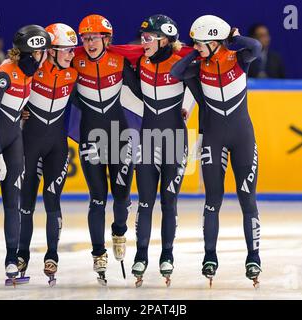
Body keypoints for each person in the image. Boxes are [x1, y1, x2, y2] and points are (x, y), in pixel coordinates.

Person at [170, 15, 262, 288]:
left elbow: (256, 48)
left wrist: (233, 40)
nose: (195, 46)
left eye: (200, 42)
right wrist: (196, 53)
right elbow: (177, 72)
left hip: (242, 137)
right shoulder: (198, 67)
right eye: (195, 42)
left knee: (248, 200)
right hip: (214, 138)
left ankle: (253, 256)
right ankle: (210, 256)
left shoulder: (239, 59)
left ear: (215, 41)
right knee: (212, 200)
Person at [0, 24, 51, 286]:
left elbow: (14, 109)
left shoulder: (29, 74)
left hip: (13, 140)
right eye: (41, 53)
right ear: (29, 53)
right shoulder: (4, 74)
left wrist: (21, 115)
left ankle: (12, 259)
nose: (43, 58)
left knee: (12, 204)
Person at [130, 14, 203, 287]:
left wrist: (189, 111)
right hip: (148, 139)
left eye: (148, 38)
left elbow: (199, 94)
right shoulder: (140, 61)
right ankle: (140, 255)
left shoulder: (182, 65)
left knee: (169, 202)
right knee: (145, 202)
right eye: (142, 37)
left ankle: (167, 255)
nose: (143, 42)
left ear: (164, 40)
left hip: (174, 140)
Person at [72, 14, 142, 285]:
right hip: (90, 138)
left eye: (95, 37)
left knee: (122, 198)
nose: (89, 43)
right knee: (97, 198)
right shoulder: (75, 62)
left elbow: (143, 89)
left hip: (121, 138)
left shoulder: (120, 61)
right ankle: (98, 253)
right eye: (85, 38)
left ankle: (119, 230)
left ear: (106, 39)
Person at [16, 23, 78, 287]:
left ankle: (52, 254)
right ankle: (21, 254)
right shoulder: (32, 70)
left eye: (73, 50)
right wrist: (18, 113)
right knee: (26, 203)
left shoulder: (73, 74)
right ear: (50, 51)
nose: (71, 55)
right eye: (66, 50)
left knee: (53, 202)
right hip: (29, 143)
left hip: (57, 145)